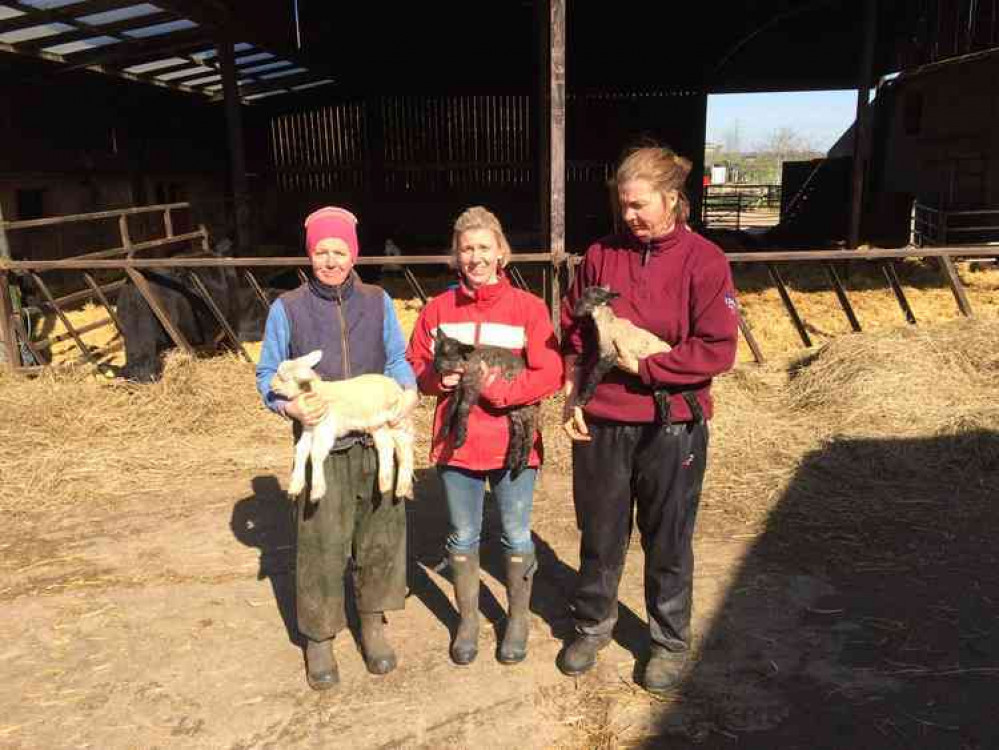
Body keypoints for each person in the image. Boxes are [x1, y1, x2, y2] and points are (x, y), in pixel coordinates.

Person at [557, 146, 739, 693]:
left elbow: (717, 350)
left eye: (639, 205)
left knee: (669, 536)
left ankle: (667, 640)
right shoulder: (599, 256)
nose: (630, 216)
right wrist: (572, 391)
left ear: (672, 199)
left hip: (672, 422)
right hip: (605, 419)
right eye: (624, 205)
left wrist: (650, 365)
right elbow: (572, 328)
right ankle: (593, 625)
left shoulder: (705, 261)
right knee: (601, 530)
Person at [256, 206, 418, 691]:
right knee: (320, 539)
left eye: (339, 251)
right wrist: (291, 411)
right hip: (323, 442)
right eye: (322, 252)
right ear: (310, 255)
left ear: (354, 254)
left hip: (373, 434)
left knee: (381, 531)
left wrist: (406, 395)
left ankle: (371, 620)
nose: (330, 260)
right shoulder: (288, 307)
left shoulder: (378, 300)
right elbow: (267, 376)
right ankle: (320, 634)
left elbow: (397, 358)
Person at [406, 206, 563, 666]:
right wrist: (438, 382)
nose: (475, 257)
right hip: (457, 443)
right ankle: (469, 619)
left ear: (502, 253)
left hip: (511, 439)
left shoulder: (528, 310)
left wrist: (496, 390)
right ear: (456, 256)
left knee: (516, 535)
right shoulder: (438, 310)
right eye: (466, 249)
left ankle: (516, 618)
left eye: (484, 248)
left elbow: (550, 372)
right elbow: (416, 364)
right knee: (463, 535)